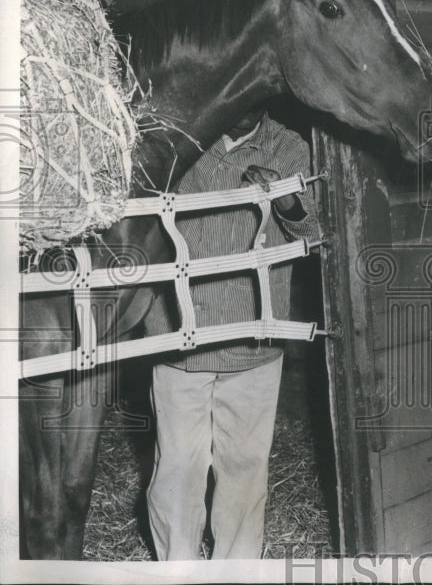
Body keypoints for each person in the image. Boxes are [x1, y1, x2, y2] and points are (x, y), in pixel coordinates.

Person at [145, 109, 319, 560]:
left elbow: (314, 230)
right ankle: (177, 569)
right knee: (179, 469)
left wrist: (286, 201)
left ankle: (236, 569)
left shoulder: (289, 146)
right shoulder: (180, 134)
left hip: (254, 336)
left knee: (244, 469)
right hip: (181, 330)